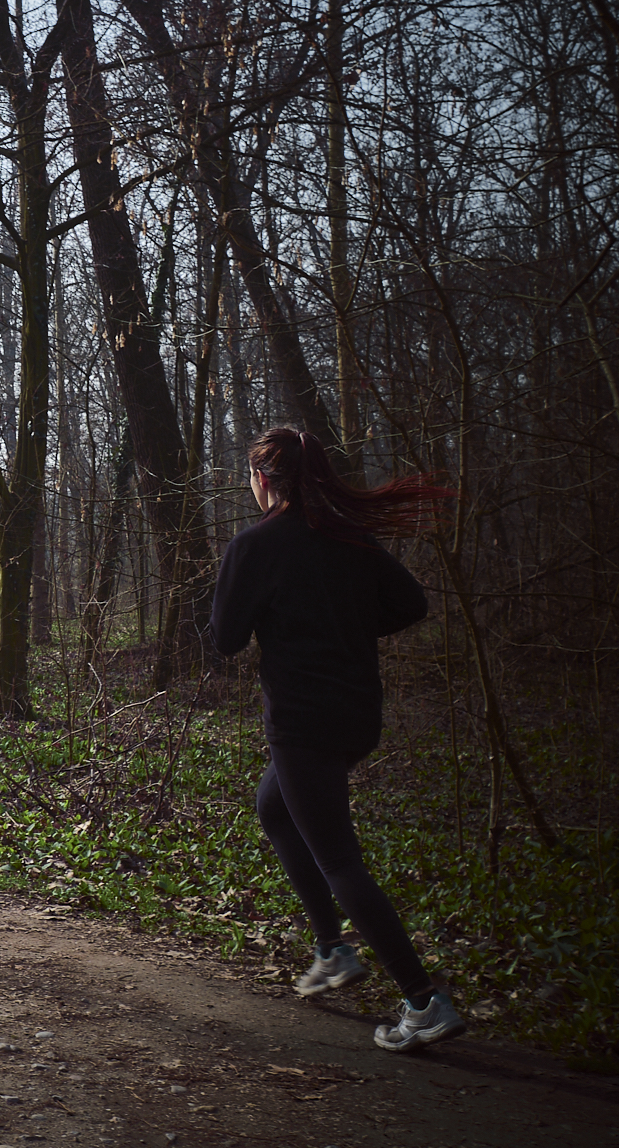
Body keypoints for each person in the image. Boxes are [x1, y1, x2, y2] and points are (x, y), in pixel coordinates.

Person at [211, 427, 464, 1052]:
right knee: (274, 809)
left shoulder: (256, 545)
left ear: (265, 480)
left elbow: (224, 640)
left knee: (339, 860)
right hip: (356, 718)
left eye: (252, 477)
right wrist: (345, 625)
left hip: (303, 723)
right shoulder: (351, 538)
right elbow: (411, 604)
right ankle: (331, 950)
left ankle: (423, 1001)